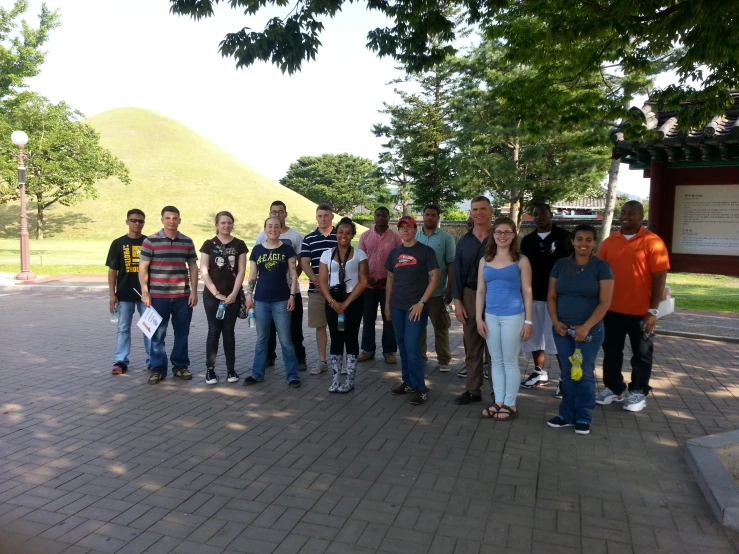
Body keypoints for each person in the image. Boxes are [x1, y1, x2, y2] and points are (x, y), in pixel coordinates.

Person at [596, 201, 669, 412]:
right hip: (612, 310)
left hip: (642, 313)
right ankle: (614, 388)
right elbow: (599, 275)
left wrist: (653, 311)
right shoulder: (609, 242)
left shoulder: (653, 242)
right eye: (623, 212)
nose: (626, 216)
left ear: (641, 215)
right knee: (611, 352)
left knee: (642, 354)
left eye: (631, 213)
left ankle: (638, 391)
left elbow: (659, 279)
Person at [547, 225, 614, 434]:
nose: (583, 243)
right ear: (573, 241)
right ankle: (566, 414)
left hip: (590, 331)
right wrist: (556, 321)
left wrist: (586, 327)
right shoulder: (560, 264)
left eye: (588, 239)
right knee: (567, 372)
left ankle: (584, 416)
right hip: (562, 330)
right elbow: (551, 296)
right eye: (579, 239)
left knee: (584, 373)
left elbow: (605, 302)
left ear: (594, 243)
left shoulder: (601, 267)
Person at [476, 217, 534, 421]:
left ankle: (510, 403)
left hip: (513, 317)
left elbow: (527, 292)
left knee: (509, 362)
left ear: (513, 235)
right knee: (496, 361)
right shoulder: (485, 260)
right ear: (493, 234)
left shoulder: (522, 260)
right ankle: (498, 401)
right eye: (499, 232)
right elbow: (480, 291)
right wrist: (478, 318)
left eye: (507, 232)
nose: (502, 236)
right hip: (491, 316)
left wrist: (528, 321)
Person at [139, 206, 199, 385]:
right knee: (157, 335)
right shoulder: (150, 241)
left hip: (182, 296)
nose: (171, 221)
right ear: (162, 220)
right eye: (168, 218)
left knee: (182, 333)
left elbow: (193, 267)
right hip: (158, 297)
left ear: (179, 220)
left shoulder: (187, 241)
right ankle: (158, 367)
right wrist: (145, 291)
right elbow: (143, 267)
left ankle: (180, 366)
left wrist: (194, 291)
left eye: (175, 218)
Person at [386, 216, 440, 405]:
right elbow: (390, 279)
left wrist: (422, 302)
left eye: (409, 227)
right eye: (402, 228)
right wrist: (387, 305)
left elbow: (434, 278)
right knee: (402, 345)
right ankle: (408, 382)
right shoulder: (394, 252)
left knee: (411, 346)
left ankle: (421, 388)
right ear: (398, 230)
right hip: (397, 306)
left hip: (416, 307)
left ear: (415, 229)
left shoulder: (426, 252)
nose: (405, 230)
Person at [519, 203, 570, 396]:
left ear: (551, 215)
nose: (538, 217)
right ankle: (539, 372)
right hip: (532, 296)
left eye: (542, 213)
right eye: (535, 214)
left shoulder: (565, 238)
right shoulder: (528, 240)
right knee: (533, 337)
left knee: (557, 338)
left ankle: (565, 378)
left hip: (556, 298)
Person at [244, 216, 301, 388]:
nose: (273, 229)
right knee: (262, 339)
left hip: (281, 300)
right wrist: (248, 295)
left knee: (285, 340)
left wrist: (292, 296)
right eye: (270, 226)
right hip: (261, 300)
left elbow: (293, 275)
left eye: (276, 226)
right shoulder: (257, 250)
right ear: (265, 228)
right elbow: (253, 275)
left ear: (280, 228)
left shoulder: (287, 249)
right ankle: (257, 373)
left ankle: (292, 375)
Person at [255, 201, 306, 371]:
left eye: (280, 212)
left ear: (285, 214)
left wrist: (292, 281)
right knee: (267, 331)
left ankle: (299, 359)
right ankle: (269, 357)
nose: (277, 214)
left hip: (290, 292)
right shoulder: (262, 236)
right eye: (273, 212)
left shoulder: (295, 236)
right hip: (266, 294)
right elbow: (256, 263)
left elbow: (300, 261)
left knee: (294, 330)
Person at [451, 196, 493, 405]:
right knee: (472, 345)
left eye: (483, 209)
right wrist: (457, 301)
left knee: (494, 347)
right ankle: (473, 390)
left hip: (496, 296)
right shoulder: (464, 241)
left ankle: (498, 393)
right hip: (469, 294)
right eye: (475, 209)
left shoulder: (499, 237)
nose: (478, 213)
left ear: (491, 211)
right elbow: (456, 273)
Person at [199, 211, 248, 385]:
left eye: (229, 222)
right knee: (213, 331)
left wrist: (234, 294)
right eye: (223, 223)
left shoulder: (239, 244)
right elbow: (203, 269)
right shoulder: (208, 244)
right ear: (217, 224)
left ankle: (230, 369)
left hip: (232, 296)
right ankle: (210, 371)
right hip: (212, 297)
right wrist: (215, 293)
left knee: (229, 332)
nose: (226, 226)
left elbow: (242, 270)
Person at [319, 217, 368, 392]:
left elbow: (363, 281)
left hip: (353, 301)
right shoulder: (327, 254)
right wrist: (332, 302)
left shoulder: (360, 254)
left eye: (348, 232)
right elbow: (322, 280)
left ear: (353, 234)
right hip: (332, 301)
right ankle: (335, 379)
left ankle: (350, 381)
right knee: (336, 338)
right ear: (335, 234)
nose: (344, 235)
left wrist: (346, 303)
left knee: (351, 338)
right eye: (340, 232)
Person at [106, 209, 150, 375]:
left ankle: (153, 360)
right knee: (123, 328)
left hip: (146, 295)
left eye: (140, 221)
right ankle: (120, 360)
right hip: (124, 295)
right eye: (133, 220)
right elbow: (112, 271)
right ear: (127, 222)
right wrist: (112, 294)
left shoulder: (148, 242)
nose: (137, 223)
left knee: (149, 328)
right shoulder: (118, 243)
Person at [357, 206, 401, 364]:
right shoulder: (365, 236)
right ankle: (368, 350)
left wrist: (388, 279)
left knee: (389, 318)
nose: (381, 218)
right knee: (368, 318)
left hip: (388, 286)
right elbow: (360, 259)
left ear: (389, 217)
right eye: (378, 215)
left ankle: (389, 351)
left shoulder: (395, 238)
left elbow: (398, 261)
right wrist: (366, 278)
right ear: (374, 217)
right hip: (368, 286)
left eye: (384, 215)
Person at [416, 204, 455, 371]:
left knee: (441, 327)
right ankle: (420, 358)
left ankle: (444, 360)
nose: (429, 217)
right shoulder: (415, 235)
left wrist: (450, 287)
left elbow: (451, 263)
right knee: (418, 328)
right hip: (417, 292)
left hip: (438, 291)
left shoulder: (446, 238)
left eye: (433, 215)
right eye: (427, 214)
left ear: (438, 217)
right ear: (422, 216)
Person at [301, 203, 337, 375]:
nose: (323, 219)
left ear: (332, 216)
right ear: (316, 217)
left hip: (338, 291)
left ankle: (340, 360)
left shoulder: (340, 236)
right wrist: (317, 281)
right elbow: (304, 263)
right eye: (320, 216)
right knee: (320, 327)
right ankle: (322, 361)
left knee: (339, 327)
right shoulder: (308, 239)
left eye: (326, 215)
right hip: (316, 291)